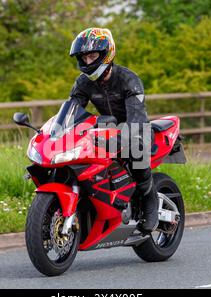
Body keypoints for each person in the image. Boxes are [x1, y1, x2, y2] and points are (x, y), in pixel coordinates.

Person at [68, 27, 159, 233]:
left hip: (136, 127)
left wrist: (124, 136)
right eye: (84, 57)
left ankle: (148, 197)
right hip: (107, 127)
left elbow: (136, 117)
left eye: (92, 56)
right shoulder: (83, 82)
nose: (88, 61)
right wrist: (58, 129)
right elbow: (71, 110)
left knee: (135, 148)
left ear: (106, 54)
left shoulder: (129, 79)